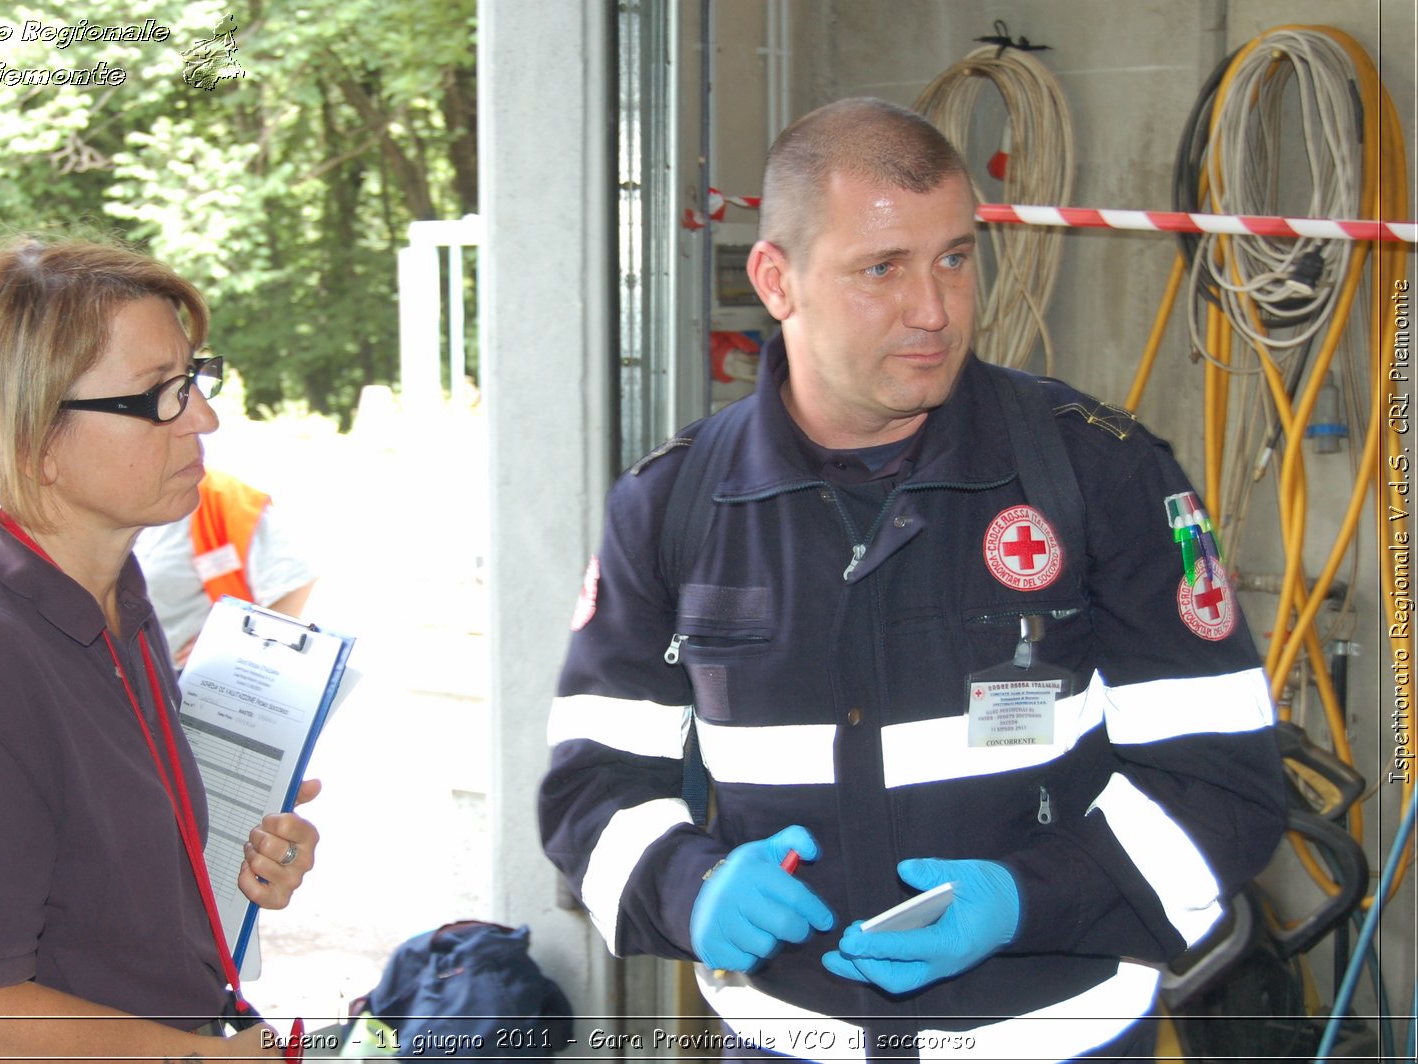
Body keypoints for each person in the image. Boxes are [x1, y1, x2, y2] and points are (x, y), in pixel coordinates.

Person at [537, 98, 1287, 1061]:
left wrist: (1028, 898)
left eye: (954, 258)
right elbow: (593, 784)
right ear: (777, 280)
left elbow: (1223, 781)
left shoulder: (1103, 476)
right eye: (881, 269)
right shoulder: (671, 505)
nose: (933, 310)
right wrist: (687, 885)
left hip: (1058, 1041)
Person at [0, 236, 319, 1060]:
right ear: (38, 439)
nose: (203, 419)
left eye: (196, 379)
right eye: (158, 396)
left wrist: (220, 843)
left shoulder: (116, 609)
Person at [133, 468, 317, 668]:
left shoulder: (220, 498)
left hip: (186, 678)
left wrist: (234, 645)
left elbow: (293, 582)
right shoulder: (104, 494)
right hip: (115, 676)